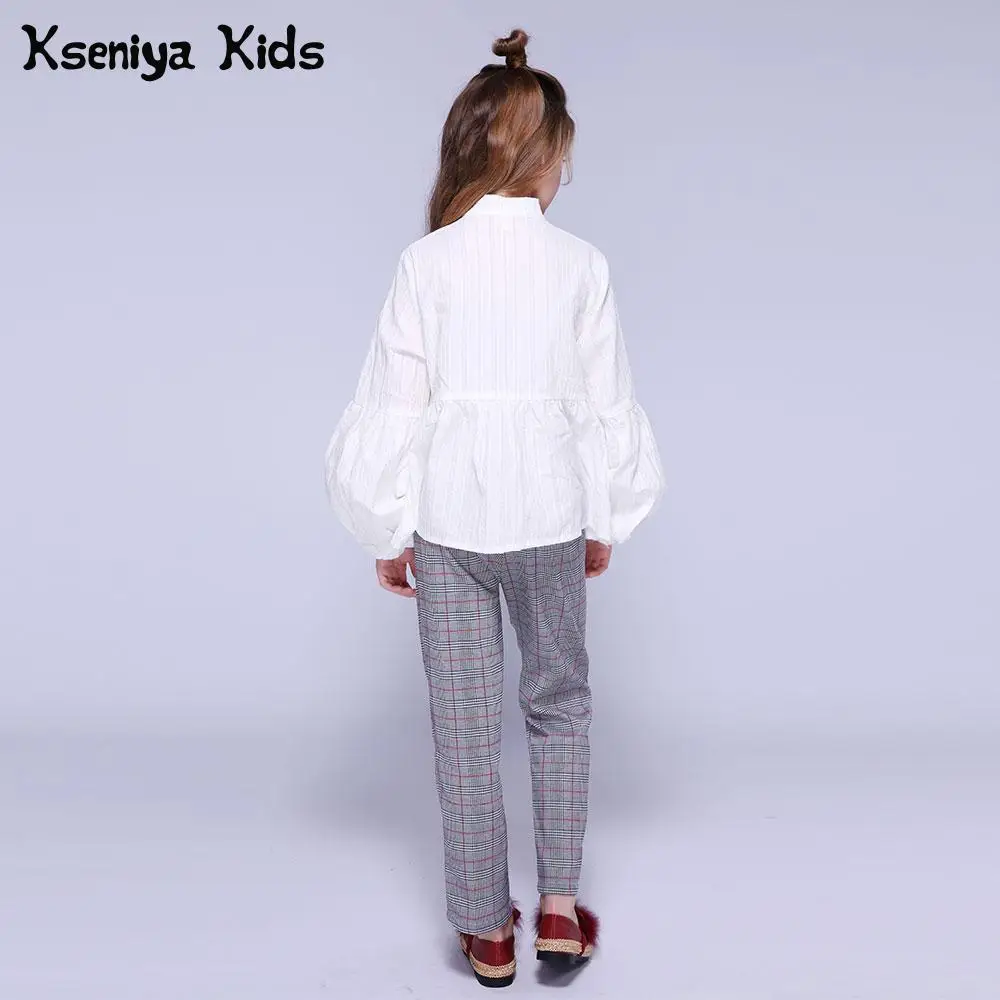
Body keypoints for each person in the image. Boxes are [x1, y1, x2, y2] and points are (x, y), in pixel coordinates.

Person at [324, 26, 665, 988]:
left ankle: (485, 930)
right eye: (565, 161)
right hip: (550, 517)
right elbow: (604, 404)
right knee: (559, 706)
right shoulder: (582, 265)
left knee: (463, 727)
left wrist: (386, 527)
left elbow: (396, 404)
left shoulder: (425, 263)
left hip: (449, 526)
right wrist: (604, 514)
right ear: (543, 156)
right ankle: (558, 907)